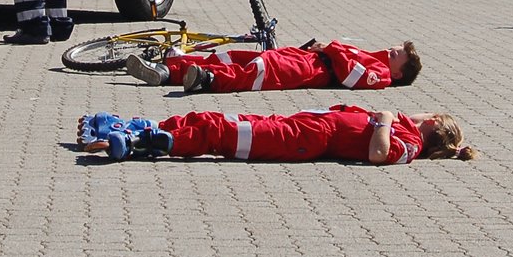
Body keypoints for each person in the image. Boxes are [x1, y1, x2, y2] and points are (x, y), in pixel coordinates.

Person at [78, 104, 478, 164]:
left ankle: (145, 143)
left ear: (435, 127)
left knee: (226, 136)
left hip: (309, 140)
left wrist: (385, 119)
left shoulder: (408, 143)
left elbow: (378, 154)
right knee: (218, 119)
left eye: (433, 115)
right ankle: (142, 127)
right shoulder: (411, 126)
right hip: (308, 124)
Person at [125, 39, 422, 93]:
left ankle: (206, 79)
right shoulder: (376, 58)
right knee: (237, 57)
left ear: (397, 73)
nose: (393, 49)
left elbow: (352, 76)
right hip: (306, 58)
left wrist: (331, 48)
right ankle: (168, 70)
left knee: (256, 73)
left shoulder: (381, 75)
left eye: (399, 54)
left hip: (312, 72)